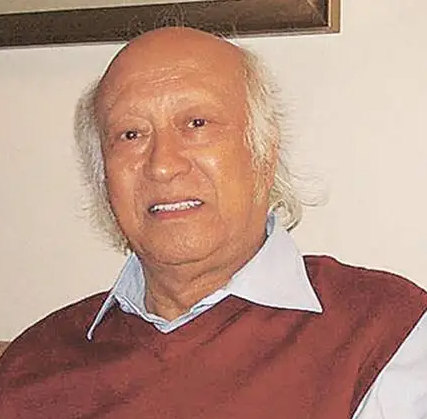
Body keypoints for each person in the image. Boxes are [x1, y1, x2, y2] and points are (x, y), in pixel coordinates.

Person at [0, 26, 426, 419]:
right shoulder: (32, 364)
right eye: (131, 135)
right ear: (103, 177)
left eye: (197, 124)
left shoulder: (383, 333)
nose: (162, 165)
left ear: (264, 152)